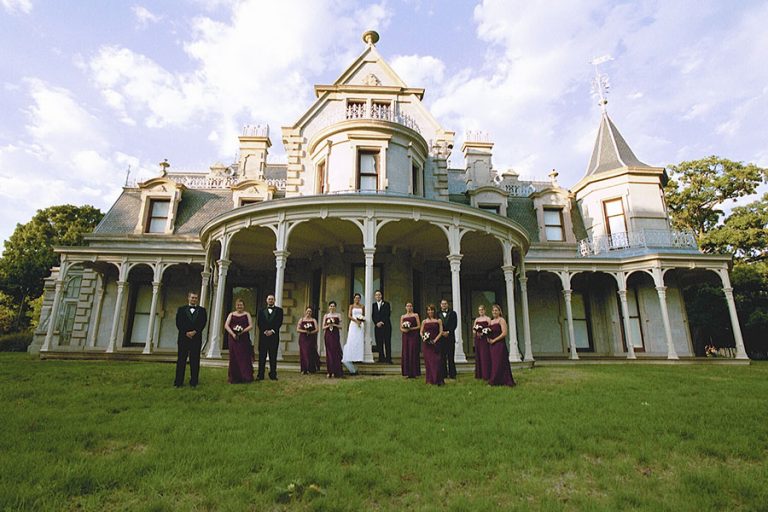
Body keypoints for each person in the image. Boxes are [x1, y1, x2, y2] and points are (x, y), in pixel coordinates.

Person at [174, 291, 208, 387]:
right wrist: (186, 332)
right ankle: (178, 382)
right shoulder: (181, 309)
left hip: (196, 338)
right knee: (181, 359)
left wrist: (195, 331)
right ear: (188, 298)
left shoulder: (202, 311)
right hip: (183, 338)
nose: (194, 299)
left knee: (195, 360)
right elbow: (178, 322)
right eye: (192, 297)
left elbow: (203, 323)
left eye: (195, 298)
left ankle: (194, 381)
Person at [224, 298, 254, 384]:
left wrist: (242, 331)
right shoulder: (231, 314)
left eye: (241, 305)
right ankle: (234, 377)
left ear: (244, 306)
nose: (239, 306)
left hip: (244, 338)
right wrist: (233, 334)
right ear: (235, 306)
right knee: (233, 357)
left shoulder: (247, 314)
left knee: (244, 357)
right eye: (238, 305)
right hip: (233, 339)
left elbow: (251, 325)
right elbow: (226, 325)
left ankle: (246, 376)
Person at [487, 304, 516, 387]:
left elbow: (504, 333)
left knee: (499, 362)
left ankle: (496, 380)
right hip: (492, 345)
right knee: (493, 362)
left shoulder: (501, 320)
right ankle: (496, 379)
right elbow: (489, 332)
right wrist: (488, 338)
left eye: (496, 310)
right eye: (493, 310)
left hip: (499, 344)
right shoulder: (491, 321)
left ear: (499, 311)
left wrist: (495, 340)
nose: (494, 312)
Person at [257, 294, 283, 381]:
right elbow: (259, 323)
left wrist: (272, 331)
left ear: (274, 300)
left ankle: (273, 374)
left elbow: (279, 322)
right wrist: (265, 331)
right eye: (269, 299)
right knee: (262, 356)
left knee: (273, 356)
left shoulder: (279, 311)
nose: (270, 300)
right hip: (263, 336)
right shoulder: (261, 311)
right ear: (266, 300)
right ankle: (260, 374)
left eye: (272, 299)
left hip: (274, 336)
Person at [420, 304, 444, 386]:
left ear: (434, 311)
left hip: (436, 343)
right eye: (429, 310)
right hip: (427, 344)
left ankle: (438, 380)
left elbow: (441, 332)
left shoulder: (438, 321)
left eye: (432, 310)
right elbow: (421, 331)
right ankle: (429, 380)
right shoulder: (424, 321)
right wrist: (424, 338)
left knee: (437, 361)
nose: (430, 312)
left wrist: (435, 340)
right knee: (428, 362)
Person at [342, 293, 365, 375]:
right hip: (353, 324)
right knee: (352, 339)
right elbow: (349, 315)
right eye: (356, 298)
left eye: (359, 298)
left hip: (360, 325)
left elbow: (363, 315)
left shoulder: (362, 306)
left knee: (359, 340)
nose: (357, 299)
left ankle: (359, 357)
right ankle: (351, 356)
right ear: (354, 298)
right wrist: (356, 321)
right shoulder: (351, 306)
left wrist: (361, 320)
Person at [322, 301, 344, 378]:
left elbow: (341, 327)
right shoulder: (326, 315)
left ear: (335, 307)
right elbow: (323, 327)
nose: (332, 307)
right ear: (329, 307)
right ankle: (329, 371)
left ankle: (336, 371)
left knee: (335, 352)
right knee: (329, 353)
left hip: (335, 334)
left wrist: (334, 324)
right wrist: (328, 325)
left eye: (333, 306)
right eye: (331, 306)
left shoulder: (338, 315)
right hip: (328, 335)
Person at [399, 302, 421, 378]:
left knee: (413, 351)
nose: (409, 307)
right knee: (406, 352)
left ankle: (414, 372)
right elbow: (400, 327)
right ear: (405, 307)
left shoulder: (415, 315)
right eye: (408, 306)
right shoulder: (403, 316)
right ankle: (406, 372)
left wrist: (410, 328)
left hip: (413, 335)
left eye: (410, 306)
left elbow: (419, 326)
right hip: (406, 336)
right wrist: (404, 330)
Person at [297, 307, 320, 375]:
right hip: (303, 339)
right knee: (304, 353)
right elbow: (297, 329)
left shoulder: (313, 320)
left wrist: (310, 332)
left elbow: (317, 329)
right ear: (305, 312)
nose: (308, 313)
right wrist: (305, 331)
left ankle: (310, 369)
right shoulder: (301, 319)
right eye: (307, 311)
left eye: (310, 311)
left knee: (310, 353)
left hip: (311, 338)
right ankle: (304, 369)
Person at [439, 299, 458, 379]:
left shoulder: (453, 313)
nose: (444, 305)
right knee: (442, 357)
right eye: (442, 304)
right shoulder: (437, 314)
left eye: (445, 304)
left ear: (448, 304)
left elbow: (454, 324)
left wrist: (448, 332)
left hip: (450, 337)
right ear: (440, 305)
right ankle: (443, 373)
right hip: (441, 338)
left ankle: (452, 374)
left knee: (451, 356)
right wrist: (442, 332)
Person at [372, 290, 393, 363]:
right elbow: (373, 315)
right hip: (377, 327)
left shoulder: (386, 304)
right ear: (375, 297)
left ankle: (388, 359)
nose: (378, 296)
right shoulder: (373, 305)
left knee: (387, 342)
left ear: (381, 296)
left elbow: (387, 314)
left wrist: (382, 322)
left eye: (379, 295)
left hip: (386, 326)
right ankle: (381, 358)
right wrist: (376, 323)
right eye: (376, 295)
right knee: (379, 343)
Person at [472, 305, 492, 381]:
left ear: (485, 310)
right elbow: (474, 329)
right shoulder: (476, 319)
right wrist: (476, 333)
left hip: (485, 339)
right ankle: (479, 374)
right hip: (478, 340)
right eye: (479, 310)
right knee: (478, 355)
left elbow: (490, 328)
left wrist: (483, 332)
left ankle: (486, 374)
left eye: (482, 310)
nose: (481, 311)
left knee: (485, 355)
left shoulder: (488, 318)